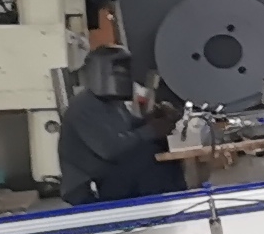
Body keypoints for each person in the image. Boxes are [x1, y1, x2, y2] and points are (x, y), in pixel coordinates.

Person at [56, 45, 175, 204]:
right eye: (118, 71)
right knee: (147, 159)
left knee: (160, 153)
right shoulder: (83, 106)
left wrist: (155, 119)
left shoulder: (113, 103)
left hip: (109, 175)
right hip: (88, 187)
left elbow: (129, 129)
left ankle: (172, 203)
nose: (123, 75)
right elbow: (110, 148)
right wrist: (151, 130)